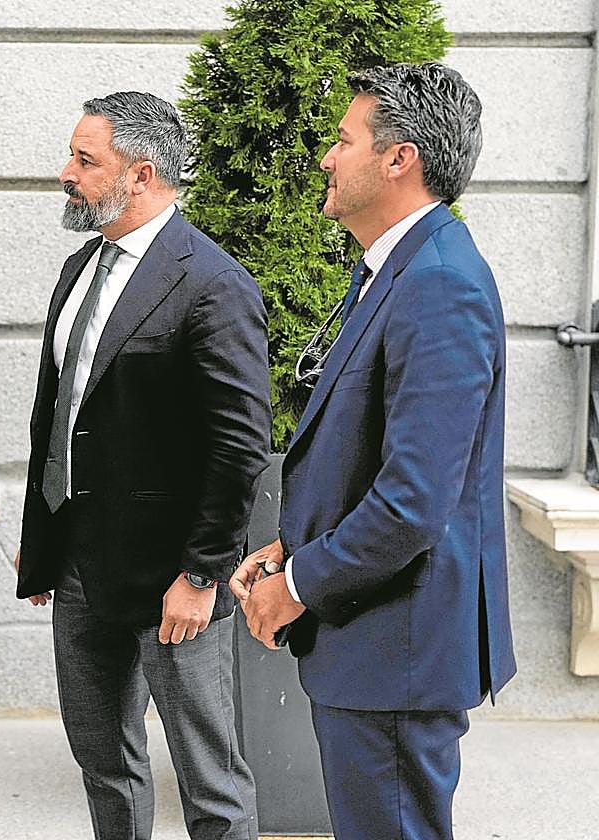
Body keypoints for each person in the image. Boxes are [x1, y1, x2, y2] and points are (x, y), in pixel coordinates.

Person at [231, 63, 516, 840]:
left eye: (344, 139)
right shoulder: (397, 270)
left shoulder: (439, 282)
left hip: (397, 650)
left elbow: (415, 501)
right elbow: (374, 456)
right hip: (378, 644)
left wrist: (299, 581)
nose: (327, 156)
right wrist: (296, 541)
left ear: (401, 159)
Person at [16, 91, 271, 840]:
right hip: (80, 573)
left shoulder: (212, 283)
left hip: (173, 585)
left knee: (212, 786)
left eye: (85, 160)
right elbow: (59, 419)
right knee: (104, 768)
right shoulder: (77, 269)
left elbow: (238, 446)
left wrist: (200, 575)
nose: (66, 172)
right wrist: (45, 543)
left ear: (141, 174)